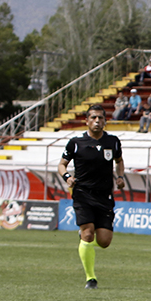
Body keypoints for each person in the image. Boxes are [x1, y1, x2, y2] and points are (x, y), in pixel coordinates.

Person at [57, 104, 125, 289]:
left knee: (104, 241)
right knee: (88, 234)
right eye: (93, 118)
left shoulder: (113, 141)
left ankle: (84, 239)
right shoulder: (76, 143)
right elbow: (62, 165)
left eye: (100, 118)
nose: (97, 121)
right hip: (82, 194)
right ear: (86, 121)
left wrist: (120, 177)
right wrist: (67, 178)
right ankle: (90, 279)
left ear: (105, 121)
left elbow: (119, 161)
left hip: (105, 196)